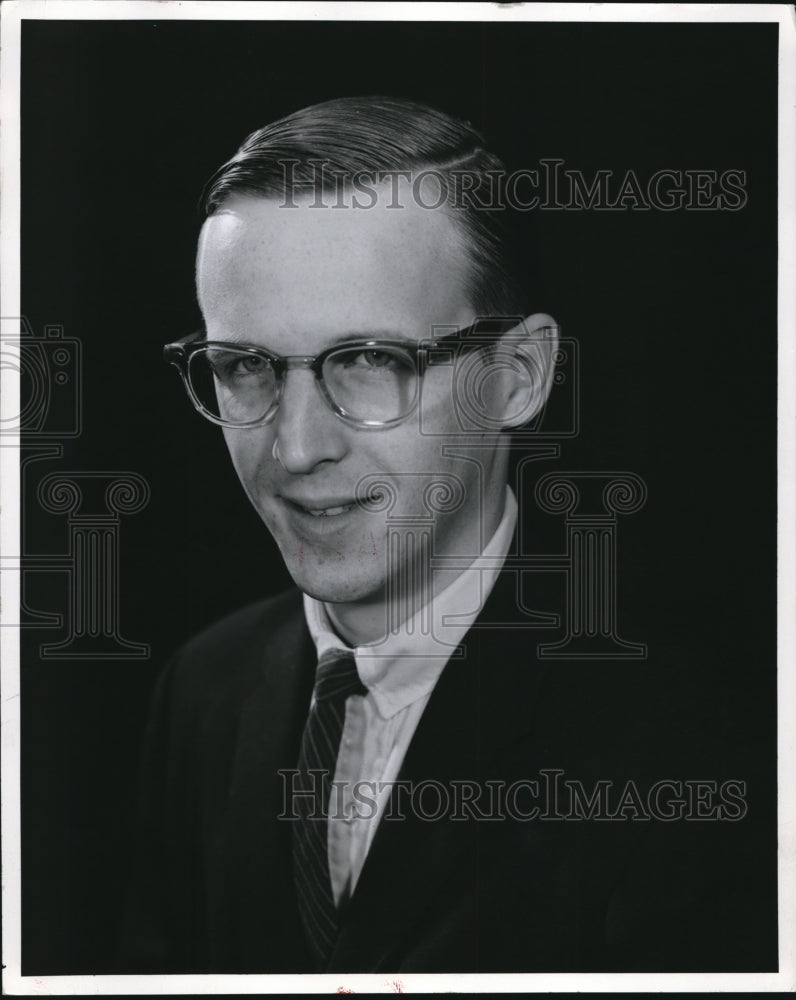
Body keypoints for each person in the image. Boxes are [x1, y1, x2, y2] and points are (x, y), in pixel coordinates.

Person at [119, 96, 773, 974]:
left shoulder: (697, 744)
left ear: (518, 377)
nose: (298, 448)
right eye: (247, 367)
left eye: (369, 361)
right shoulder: (204, 687)